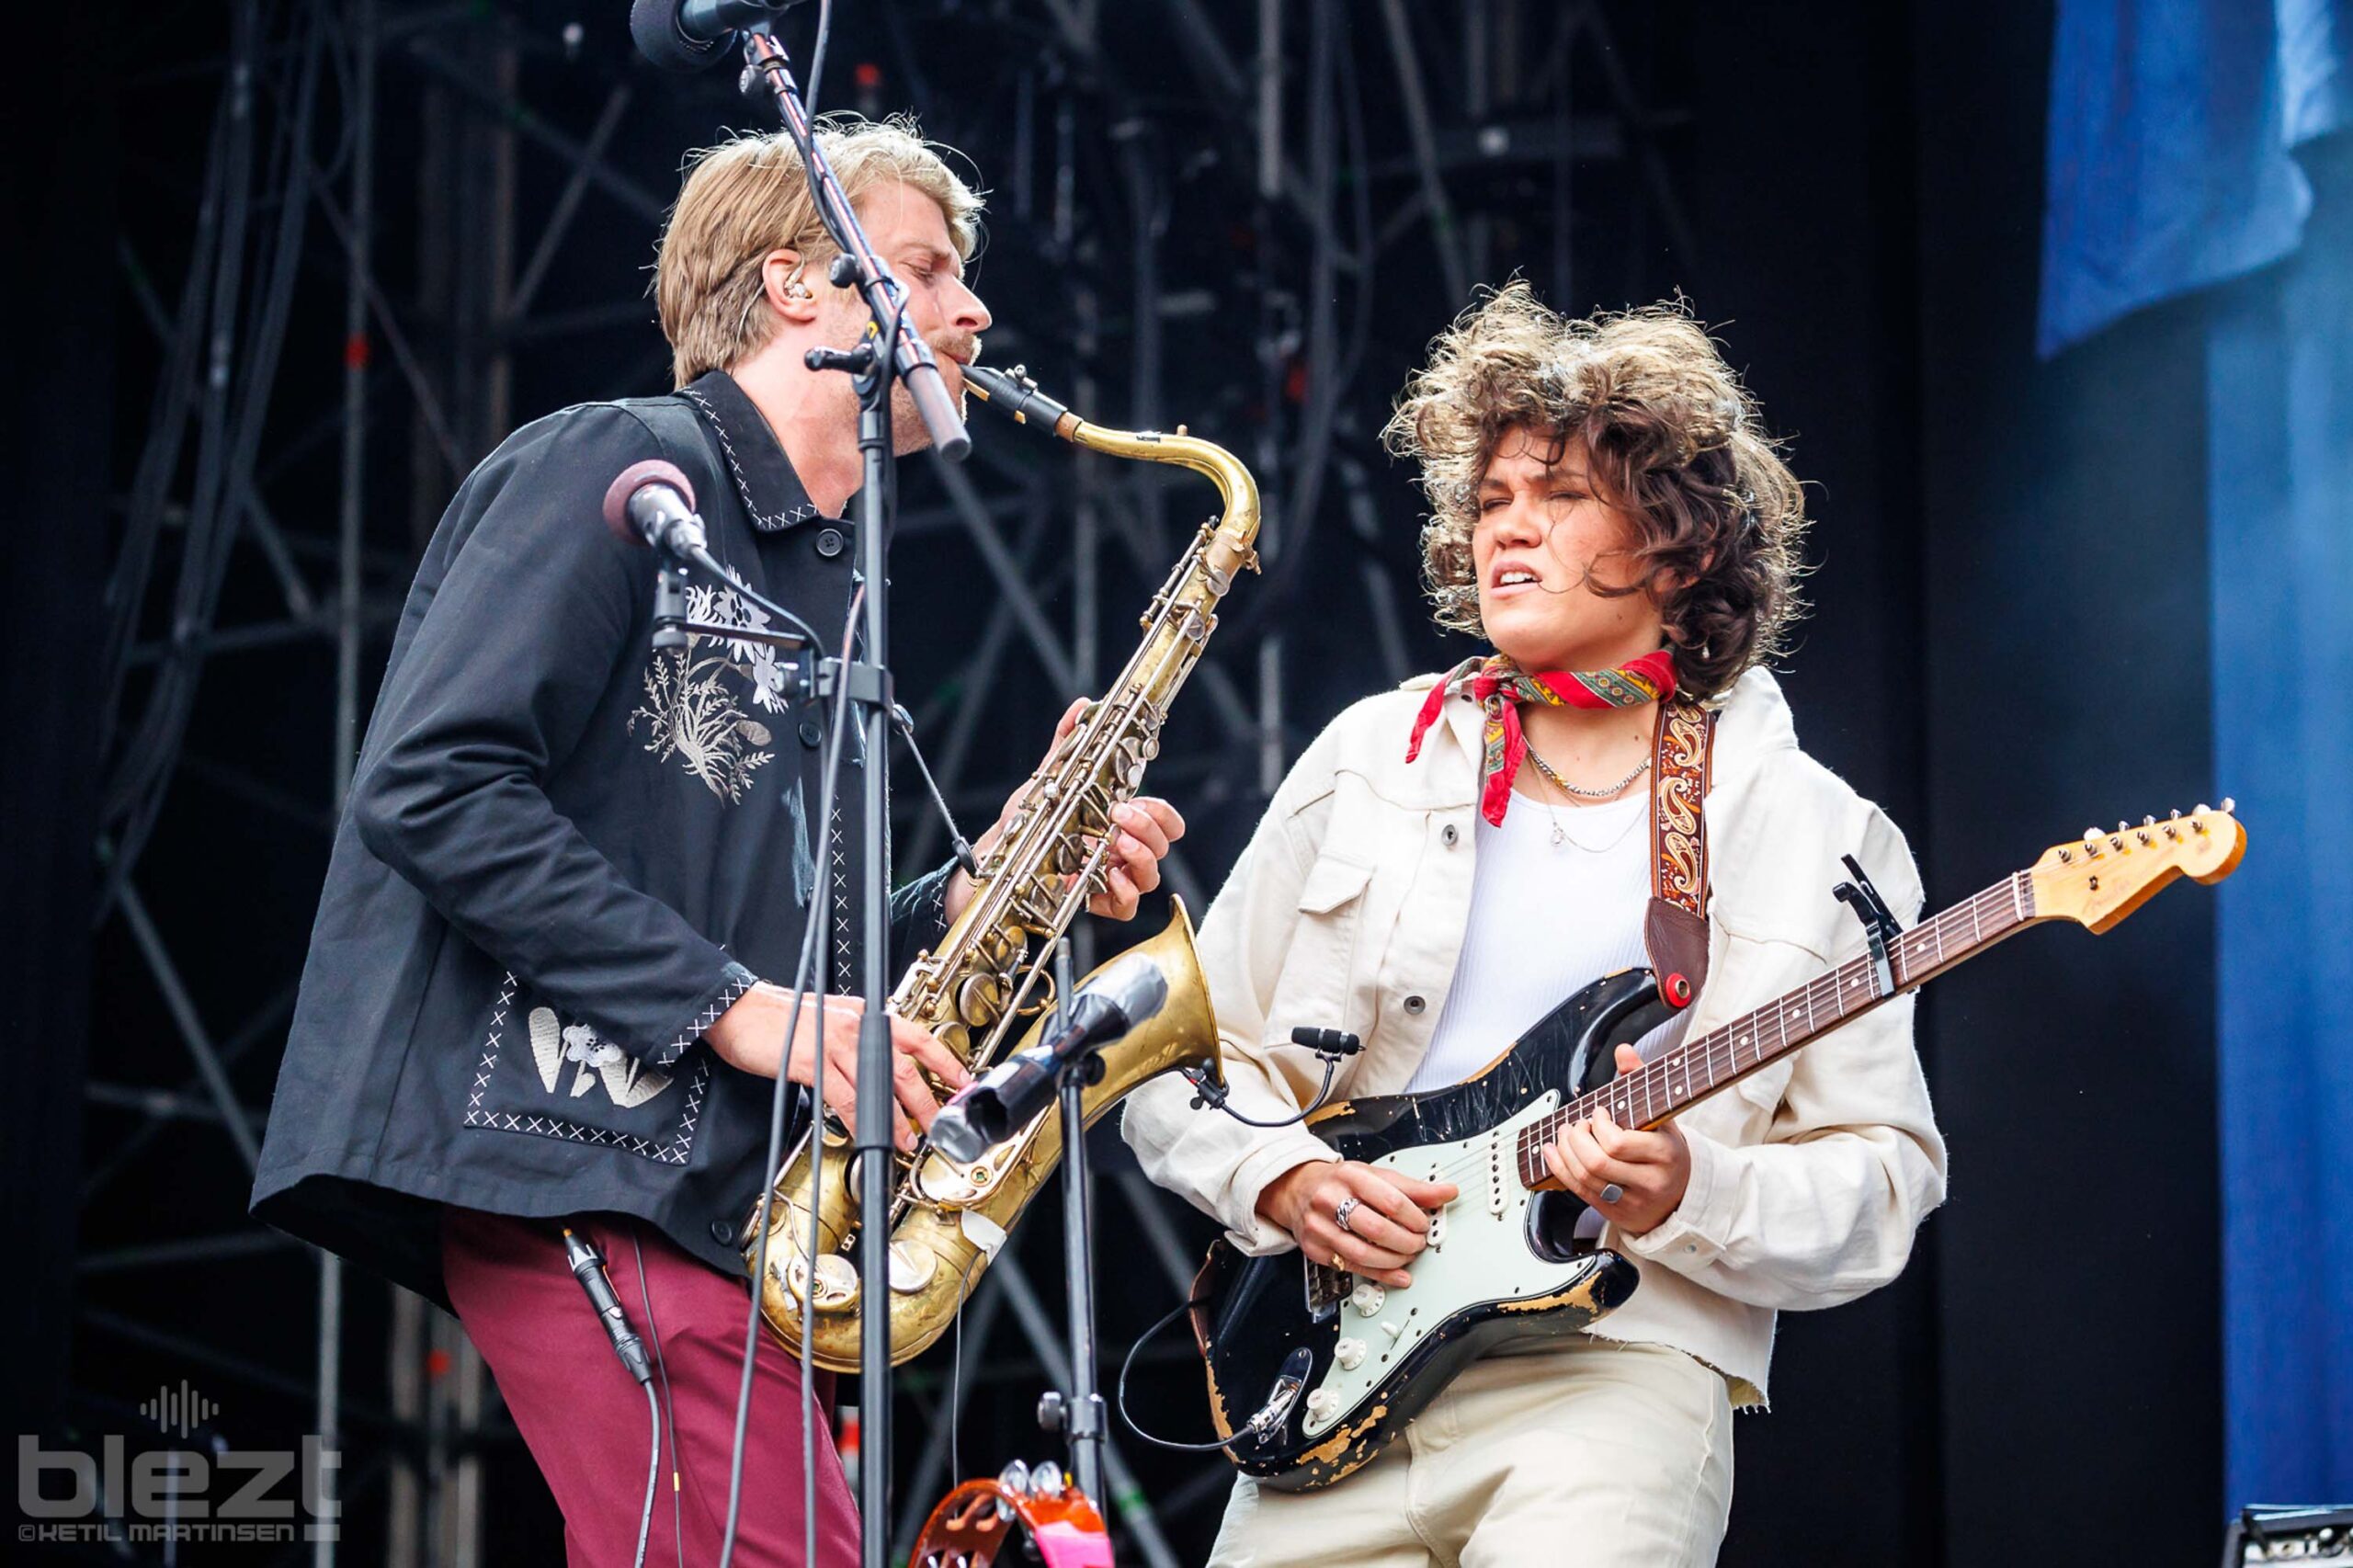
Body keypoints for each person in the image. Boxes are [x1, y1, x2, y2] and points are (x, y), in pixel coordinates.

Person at [250, 118, 1185, 1567]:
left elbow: (813, 951)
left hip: (713, 1205)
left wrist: (1007, 867)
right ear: (796, 288)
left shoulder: (834, 592)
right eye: (929, 268)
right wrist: (744, 1013)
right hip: (581, 1160)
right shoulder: (620, 464)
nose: (976, 311)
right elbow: (432, 786)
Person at [1122, 282, 1945, 1567]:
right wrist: (1283, 1178)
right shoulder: (1370, 757)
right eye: (1492, 500)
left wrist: (1693, 1185)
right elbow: (1181, 1057)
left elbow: (1886, 1179)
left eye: (1559, 496)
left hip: (1616, 1376)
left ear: (1677, 542)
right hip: (1337, 1380)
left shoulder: (1819, 832)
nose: (1509, 529)